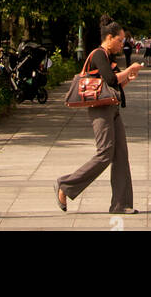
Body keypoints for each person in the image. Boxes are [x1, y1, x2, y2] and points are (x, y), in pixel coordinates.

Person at [56, 21, 141, 214]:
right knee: (105, 154)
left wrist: (127, 78)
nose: (122, 44)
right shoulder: (98, 54)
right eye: (120, 40)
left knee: (120, 155)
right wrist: (128, 70)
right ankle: (66, 185)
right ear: (109, 38)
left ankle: (121, 204)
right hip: (100, 110)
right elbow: (111, 80)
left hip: (112, 107)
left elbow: (112, 87)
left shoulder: (108, 57)